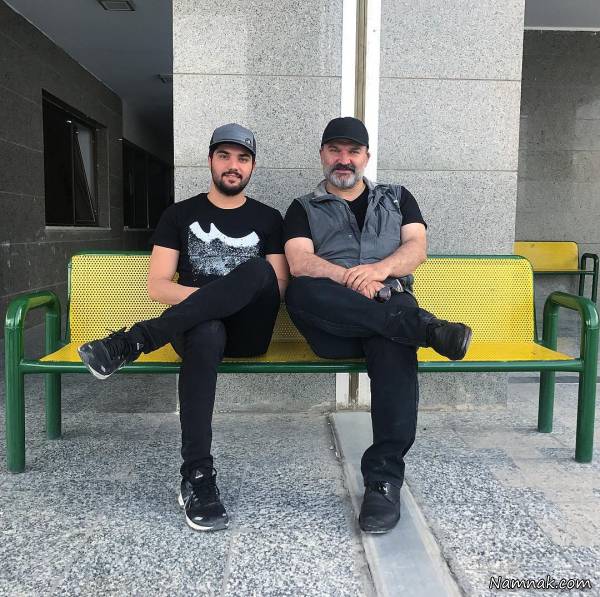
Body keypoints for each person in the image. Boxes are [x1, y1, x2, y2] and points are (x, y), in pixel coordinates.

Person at [78, 123, 288, 532]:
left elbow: (277, 285)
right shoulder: (179, 214)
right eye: (224, 156)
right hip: (197, 329)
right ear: (210, 160)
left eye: (242, 158)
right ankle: (197, 476)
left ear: (252, 166)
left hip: (249, 330)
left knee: (259, 270)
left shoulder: (268, 218)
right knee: (206, 329)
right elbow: (157, 285)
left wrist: (220, 297)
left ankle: (135, 340)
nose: (233, 165)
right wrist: (210, 302)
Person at [283, 116, 472, 533]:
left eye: (353, 151)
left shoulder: (398, 197)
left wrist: (378, 271)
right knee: (301, 291)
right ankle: (428, 330)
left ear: (366, 157)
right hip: (334, 319)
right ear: (322, 155)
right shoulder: (302, 207)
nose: (344, 159)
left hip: (390, 306)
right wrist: (351, 279)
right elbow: (299, 261)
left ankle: (383, 483)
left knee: (392, 342)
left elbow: (416, 248)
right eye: (335, 150)